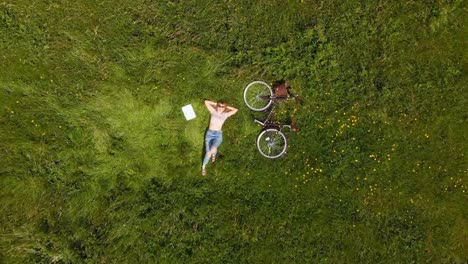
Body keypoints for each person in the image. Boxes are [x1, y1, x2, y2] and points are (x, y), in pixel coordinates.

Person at [202, 100, 238, 176]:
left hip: (218, 135)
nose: (220, 108)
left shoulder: (225, 115)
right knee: (208, 153)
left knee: (212, 149)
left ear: (224, 108)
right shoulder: (213, 111)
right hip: (210, 134)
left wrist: (225, 107)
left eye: (222, 107)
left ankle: (214, 155)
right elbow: (206, 102)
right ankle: (203, 167)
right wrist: (216, 104)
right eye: (219, 106)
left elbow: (235, 110)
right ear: (217, 106)